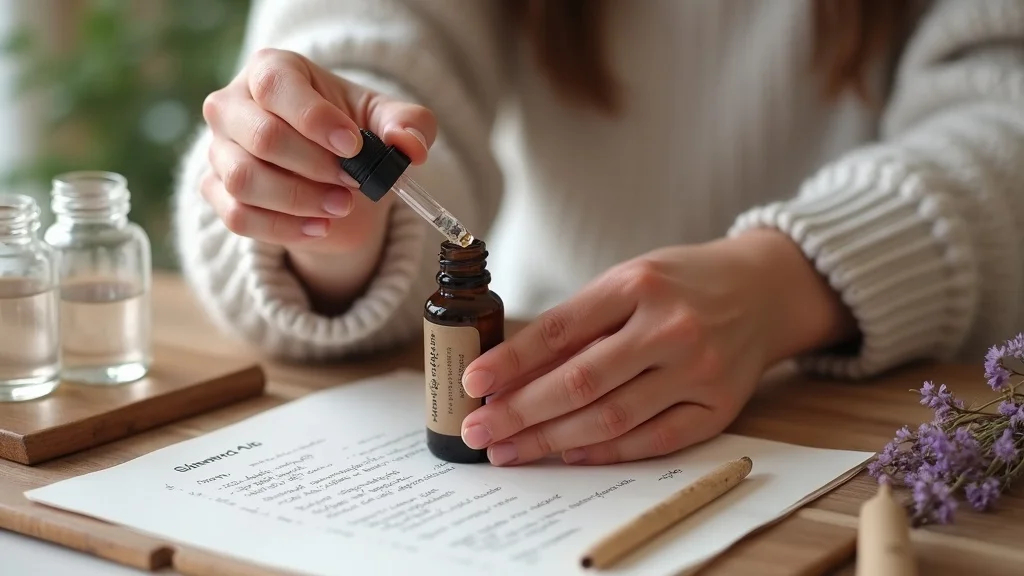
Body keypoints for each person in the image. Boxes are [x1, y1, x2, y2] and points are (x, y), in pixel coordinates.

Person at [173, 0, 1024, 468]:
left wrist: (791, 280)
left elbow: (1004, 105)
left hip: (866, 404)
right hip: (546, 405)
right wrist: (325, 228)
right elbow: (367, 41)